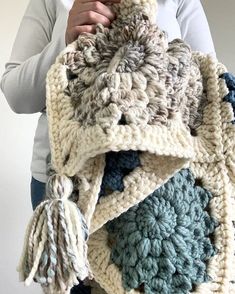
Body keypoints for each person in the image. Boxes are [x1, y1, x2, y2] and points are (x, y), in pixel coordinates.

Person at [0, 0, 216, 293]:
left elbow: (208, 87)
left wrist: (150, 52)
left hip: (159, 181)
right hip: (65, 185)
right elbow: (16, 94)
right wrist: (64, 42)